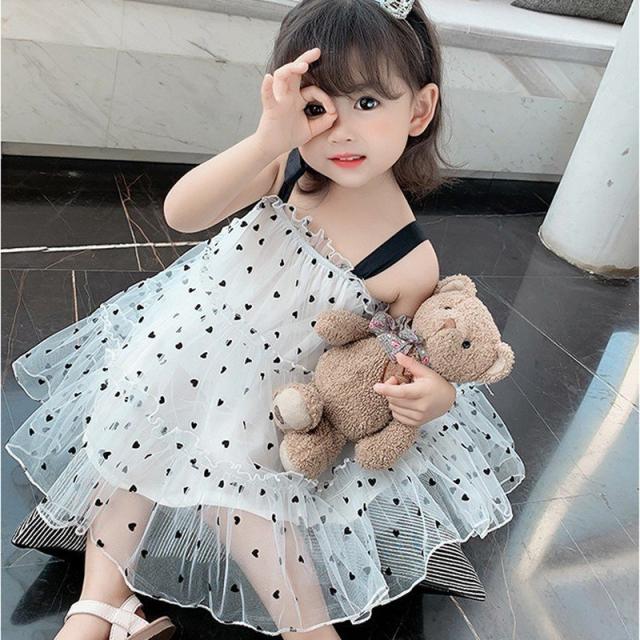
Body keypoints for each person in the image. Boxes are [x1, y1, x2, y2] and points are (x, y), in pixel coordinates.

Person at [5, 0, 525, 638]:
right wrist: (267, 139)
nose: (340, 131)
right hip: (184, 347)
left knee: (247, 504)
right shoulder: (288, 166)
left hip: (273, 399)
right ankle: (101, 601)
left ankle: (306, 627)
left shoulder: (407, 260)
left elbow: (410, 355)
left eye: (367, 103)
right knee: (133, 445)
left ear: (418, 110)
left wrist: (435, 393)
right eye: (317, 106)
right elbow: (181, 213)